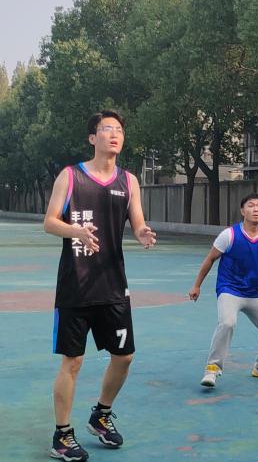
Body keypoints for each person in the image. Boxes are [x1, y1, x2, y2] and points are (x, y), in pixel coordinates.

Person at [43, 110, 157, 461]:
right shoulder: (71, 176)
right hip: (76, 286)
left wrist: (142, 232)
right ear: (93, 138)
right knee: (72, 362)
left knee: (124, 356)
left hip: (113, 285)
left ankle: (101, 414)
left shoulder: (129, 181)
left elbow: (137, 221)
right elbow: (49, 222)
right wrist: (75, 231)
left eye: (119, 129)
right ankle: (62, 436)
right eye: (107, 129)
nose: (115, 134)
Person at [189, 193, 258, 387]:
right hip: (229, 289)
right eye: (251, 205)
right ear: (243, 211)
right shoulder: (229, 235)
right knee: (227, 323)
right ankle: (212, 369)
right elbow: (210, 259)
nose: (255, 209)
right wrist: (197, 285)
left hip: (254, 292)